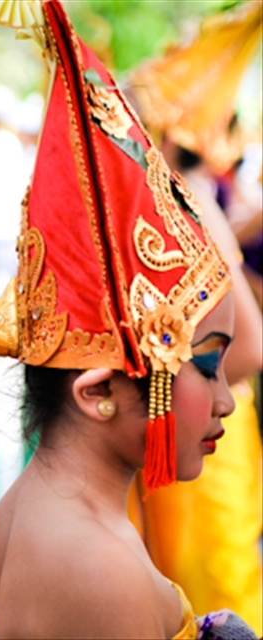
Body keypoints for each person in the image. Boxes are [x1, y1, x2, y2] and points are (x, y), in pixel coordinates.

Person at [0, 1, 251, 637]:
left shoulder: (29, 509)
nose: (228, 401)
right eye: (207, 365)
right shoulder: (99, 567)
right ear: (97, 392)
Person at [131, 5, 263, 631]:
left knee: (214, 592)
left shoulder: (186, 202)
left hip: (201, 442)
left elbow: (248, 351)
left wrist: (184, 381)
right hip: (182, 430)